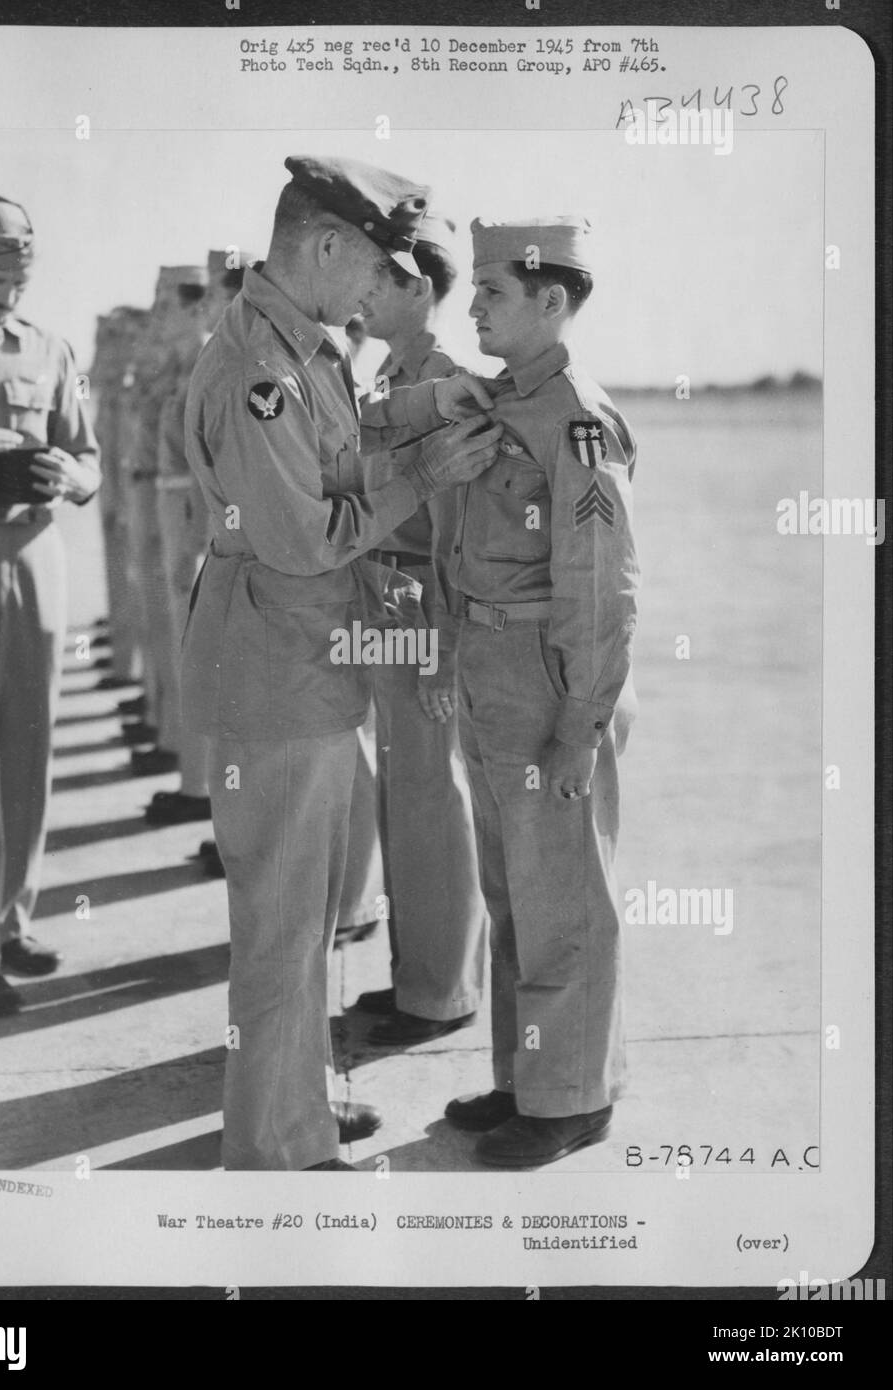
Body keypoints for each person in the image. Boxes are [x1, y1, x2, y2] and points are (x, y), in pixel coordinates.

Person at [180, 154, 503, 1170]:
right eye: (369, 267)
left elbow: (336, 468)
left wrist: (418, 443)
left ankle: (302, 1102)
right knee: (281, 924)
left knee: (311, 913)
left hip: (304, 662)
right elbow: (304, 535)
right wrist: (420, 475)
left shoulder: (301, 350)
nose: (376, 290)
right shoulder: (260, 374)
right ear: (323, 247)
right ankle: (275, 1146)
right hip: (275, 669)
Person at [434, 217, 640, 1167]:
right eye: (473, 289)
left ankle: (573, 1100)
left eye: (491, 293)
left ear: (551, 301)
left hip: (554, 682)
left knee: (564, 897)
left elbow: (603, 593)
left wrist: (579, 728)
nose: (471, 305)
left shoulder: (577, 421)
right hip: (491, 672)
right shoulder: (499, 403)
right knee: (514, 892)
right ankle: (528, 1078)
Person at [353, 213, 488, 1045]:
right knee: (403, 800)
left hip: (419, 615)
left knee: (433, 803)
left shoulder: (445, 381)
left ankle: (442, 991)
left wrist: (442, 655)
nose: (363, 293)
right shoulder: (388, 378)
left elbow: (452, 537)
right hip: (382, 607)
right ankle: (416, 978)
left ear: (420, 289)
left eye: (381, 281)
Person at [0, 189, 100, 1016]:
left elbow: (89, 460)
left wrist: (66, 474)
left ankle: (12, 918)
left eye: (19, 274)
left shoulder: (46, 349)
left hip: (33, 554)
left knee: (29, 741)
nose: (10, 289)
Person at [147, 253, 247, 825]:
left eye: (212, 293)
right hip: (185, 510)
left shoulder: (220, 363)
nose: (205, 305)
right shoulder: (207, 361)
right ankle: (199, 788)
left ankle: (205, 795)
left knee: (209, 659)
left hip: (201, 517)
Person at [122, 265, 208, 777]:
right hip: (162, 501)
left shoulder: (203, 366)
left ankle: (197, 783)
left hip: (188, 513)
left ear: (196, 307)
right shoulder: (179, 367)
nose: (156, 313)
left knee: (189, 646)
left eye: (165, 302)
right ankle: (180, 753)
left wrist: (194, 540)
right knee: (167, 631)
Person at [91, 306, 149, 690]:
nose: (110, 348)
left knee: (138, 580)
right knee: (120, 571)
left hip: (134, 497)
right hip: (115, 492)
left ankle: (130, 665)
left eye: (120, 338)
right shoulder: (113, 391)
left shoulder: (136, 387)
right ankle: (123, 650)